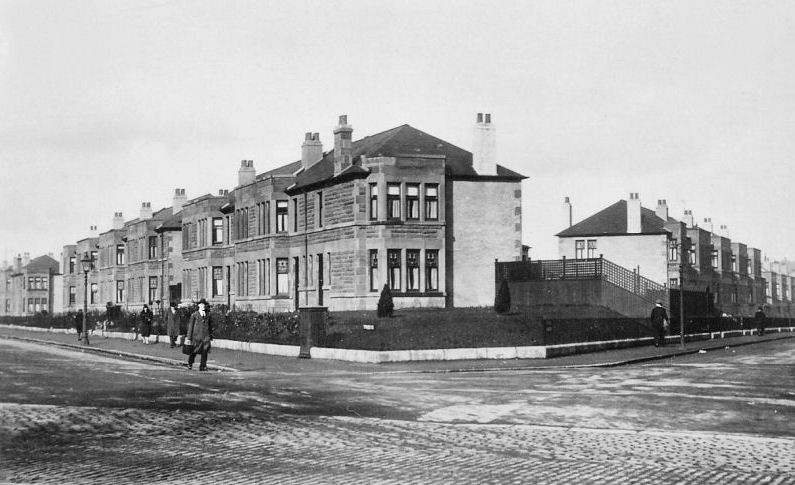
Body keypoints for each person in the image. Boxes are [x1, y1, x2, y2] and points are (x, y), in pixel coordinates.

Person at [185, 299, 214, 371]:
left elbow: (210, 326)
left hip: (205, 336)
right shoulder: (194, 315)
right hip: (196, 337)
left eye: (204, 304)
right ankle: (190, 363)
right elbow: (191, 327)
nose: (203, 306)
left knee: (205, 351)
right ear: (199, 305)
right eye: (201, 304)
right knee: (194, 351)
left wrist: (211, 335)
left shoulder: (208, 315)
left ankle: (203, 366)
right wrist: (189, 338)